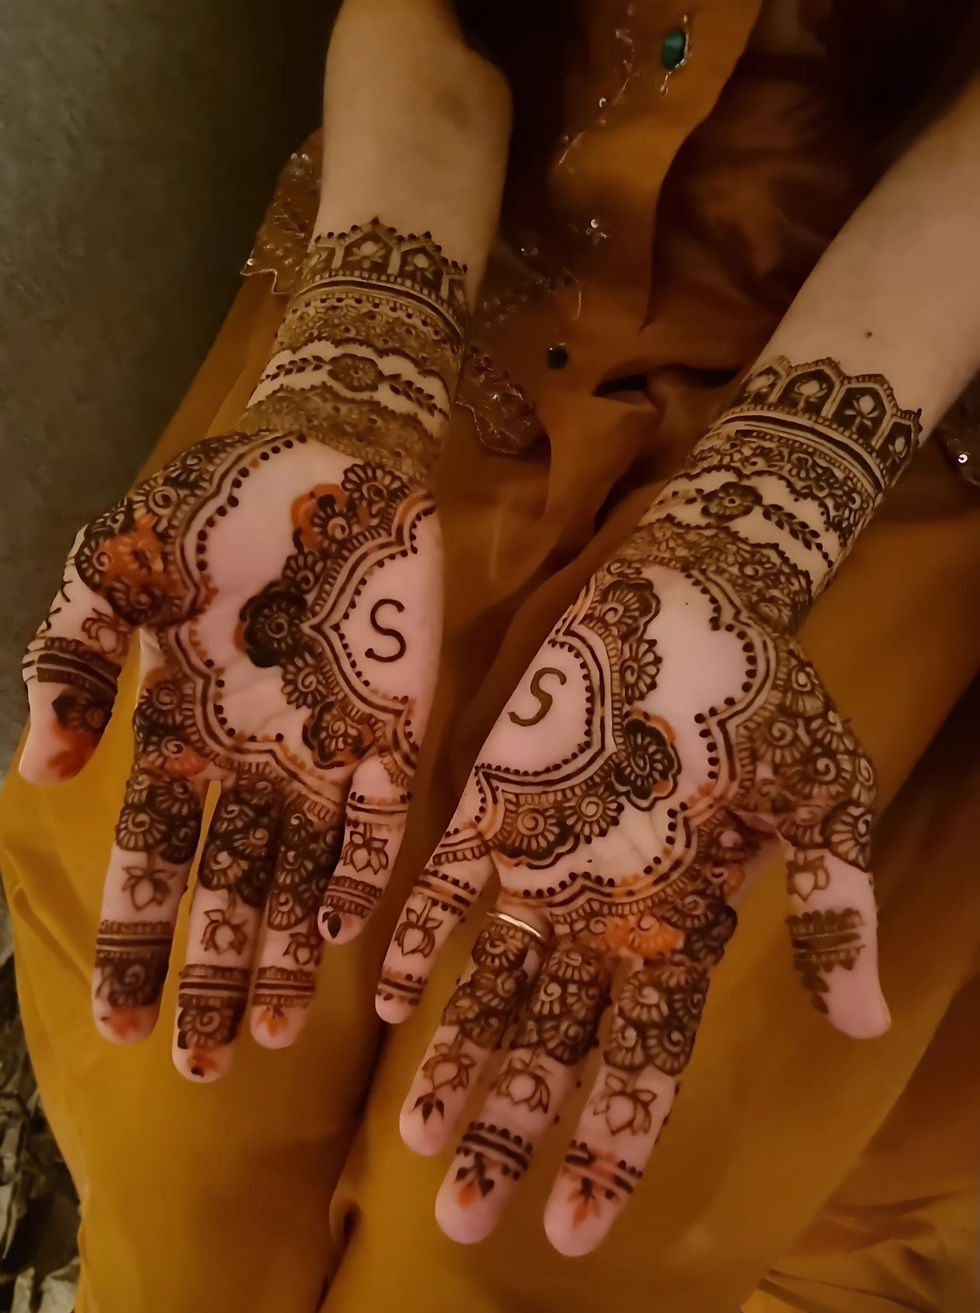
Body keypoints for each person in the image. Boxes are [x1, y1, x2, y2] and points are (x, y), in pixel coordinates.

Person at [1, 0, 978, 1307]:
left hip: (905, 358)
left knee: (499, 1213)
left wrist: (762, 516)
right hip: (469, 254)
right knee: (193, 1085)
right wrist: (361, 368)